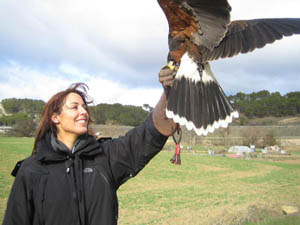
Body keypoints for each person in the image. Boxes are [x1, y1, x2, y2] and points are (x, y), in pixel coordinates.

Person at [3, 66, 177, 225]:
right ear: (55, 118)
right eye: (74, 107)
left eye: (84, 107)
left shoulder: (104, 158)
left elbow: (149, 135)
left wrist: (170, 92)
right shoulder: (31, 169)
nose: (84, 112)